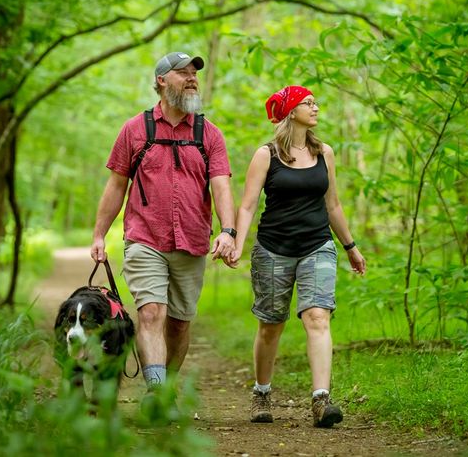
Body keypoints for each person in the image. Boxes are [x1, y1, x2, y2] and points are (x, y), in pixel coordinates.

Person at [91, 51, 236, 416]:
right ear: (161, 80)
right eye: (182, 73)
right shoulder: (135, 129)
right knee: (151, 312)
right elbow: (116, 185)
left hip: (192, 240)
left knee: (179, 324)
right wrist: (99, 235)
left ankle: (167, 387)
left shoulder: (209, 133)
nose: (192, 79)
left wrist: (228, 231)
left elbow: (221, 185)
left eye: (194, 73)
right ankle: (155, 392)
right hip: (145, 238)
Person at [227, 85, 367, 428]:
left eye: (315, 102)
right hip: (273, 248)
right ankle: (262, 392)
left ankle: (321, 400)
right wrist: (237, 243)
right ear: (291, 112)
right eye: (308, 103)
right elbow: (247, 206)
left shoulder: (325, 152)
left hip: (317, 245)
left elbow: (333, 205)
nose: (315, 107)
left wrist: (350, 246)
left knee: (318, 317)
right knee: (271, 326)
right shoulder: (266, 155)